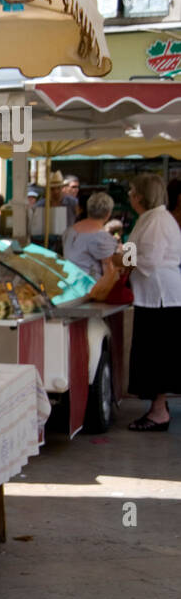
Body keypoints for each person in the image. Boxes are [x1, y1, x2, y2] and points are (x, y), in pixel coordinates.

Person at [123, 173, 181, 431]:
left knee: (156, 355)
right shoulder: (149, 218)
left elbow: (150, 259)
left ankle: (158, 412)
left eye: (132, 191)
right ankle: (159, 407)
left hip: (160, 297)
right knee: (152, 354)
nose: (129, 196)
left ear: (140, 195)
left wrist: (121, 261)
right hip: (151, 295)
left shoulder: (157, 220)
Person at [63, 192, 118, 279]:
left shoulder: (69, 231)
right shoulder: (101, 236)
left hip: (68, 282)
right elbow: (108, 272)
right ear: (108, 214)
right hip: (89, 287)